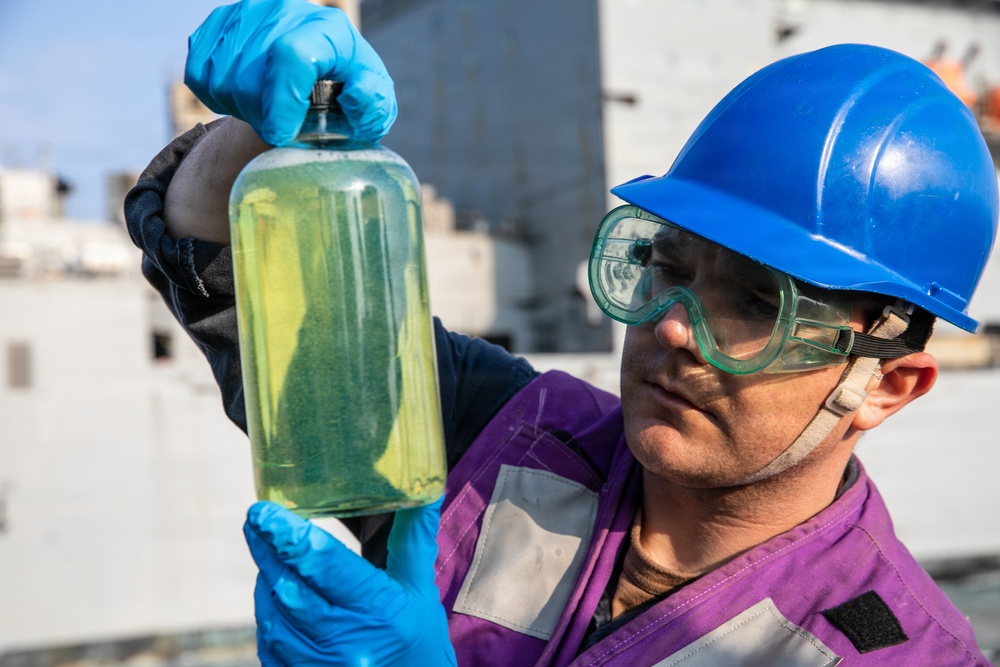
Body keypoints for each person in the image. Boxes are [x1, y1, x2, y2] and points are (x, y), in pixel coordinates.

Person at [125, 0, 998, 664]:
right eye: (665, 267)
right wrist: (261, 128)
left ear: (886, 382)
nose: (676, 330)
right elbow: (249, 301)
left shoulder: (904, 652)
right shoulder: (510, 431)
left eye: (759, 306)